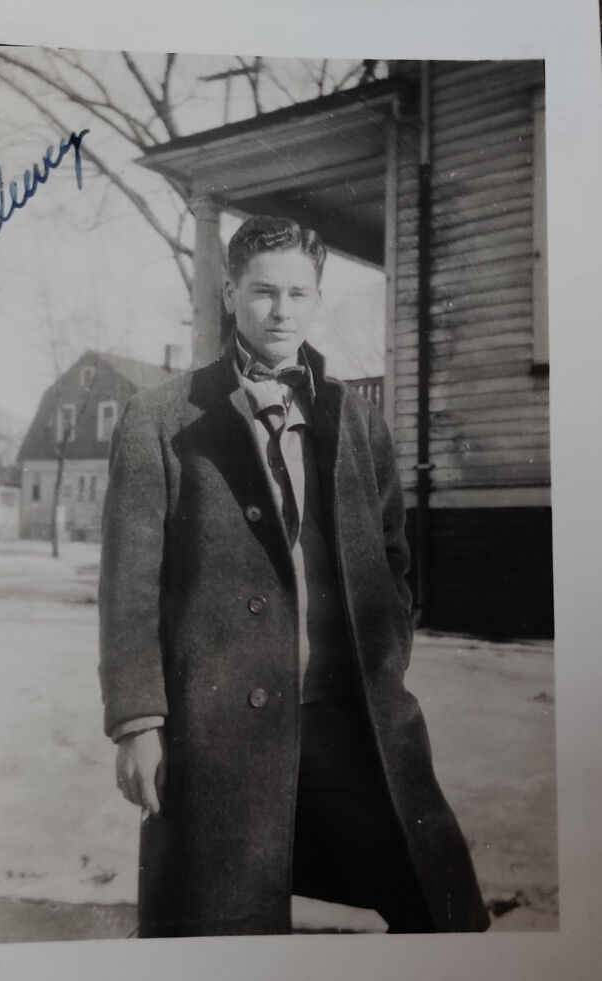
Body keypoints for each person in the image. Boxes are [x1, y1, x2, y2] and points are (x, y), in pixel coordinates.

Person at [98, 215, 489, 937]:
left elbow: (394, 553)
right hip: (220, 735)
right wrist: (138, 722)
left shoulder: (354, 418)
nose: (282, 312)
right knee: (223, 928)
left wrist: (383, 658)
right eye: (263, 292)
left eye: (299, 294)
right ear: (229, 292)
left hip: (352, 721)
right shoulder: (158, 419)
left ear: (316, 299)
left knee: (442, 912)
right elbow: (129, 584)